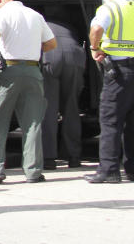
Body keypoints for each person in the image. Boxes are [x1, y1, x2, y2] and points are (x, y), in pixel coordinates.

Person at [0, 0, 57, 184]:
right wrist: (30, 48)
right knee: (32, 123)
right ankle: (33, 171)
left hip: (9, 71)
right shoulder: (35, 15)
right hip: (33, 71)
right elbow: (51, 43)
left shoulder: (2, 14)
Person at [84, 0, 134, 183]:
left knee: (110, 120)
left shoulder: (109, 8)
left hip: (118, 71)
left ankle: (108, 170)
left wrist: (94, 48)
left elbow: (96, 29)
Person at [41, 20, 85, 170]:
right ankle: (74, 157)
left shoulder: (42, 23)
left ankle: (48, 158)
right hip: (75, 54)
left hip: (51, 55)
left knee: (49, 109)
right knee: (71, 108)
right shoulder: (70, 26)